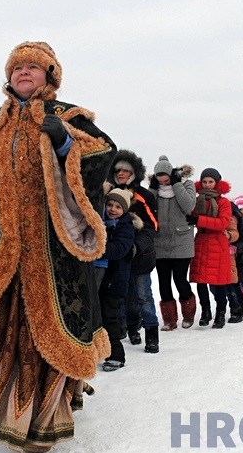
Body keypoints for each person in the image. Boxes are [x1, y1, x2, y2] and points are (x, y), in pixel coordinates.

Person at [0, 41, 117, 452]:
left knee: (50, 332)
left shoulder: (68, 118)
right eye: (18, 68)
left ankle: (50, 411)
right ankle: (3, 407)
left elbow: (103, 154)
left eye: (34, 67)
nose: (24, 73)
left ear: (49, 76)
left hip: (53, 252)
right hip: (4, 249)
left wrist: (66, 146)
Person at [106, 149, 160, 354]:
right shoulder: (107, 192)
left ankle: (152, 335)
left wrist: (136, 246)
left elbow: (153, 226)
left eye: (126, 170)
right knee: (122, 296)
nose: (121, 173)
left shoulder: (143, 195)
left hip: (140, 256)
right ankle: (129, 329)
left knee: (143, 295)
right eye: (118, 169)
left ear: (134, 173)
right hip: (115, 256)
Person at [148, 156, 197, 329]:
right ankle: (169, 319)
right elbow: (148, 208)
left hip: (182, 241)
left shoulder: (186, 184)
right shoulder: (155, 189)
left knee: (179, 279)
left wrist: (176, 184)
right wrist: (153, 189)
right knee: (163, 281)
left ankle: (188, 314)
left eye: (165, 175)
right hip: (159, 241)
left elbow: (188, 205)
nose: (162, 179)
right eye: (158, 176)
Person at [96, 188, 138, 372]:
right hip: (99, 276)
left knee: (110, 317)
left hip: (115, 279)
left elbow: (119, 249)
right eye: (110, 204)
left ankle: (117, 355)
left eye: (118, 206)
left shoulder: (125, 227)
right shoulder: (100, 221)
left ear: (125, 210)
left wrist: (93, 246)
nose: (113, 209)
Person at [187, 168, 235, 328]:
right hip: (201, 242)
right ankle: (206, 311)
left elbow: (222, 223)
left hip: (217, 243)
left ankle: (220, 313)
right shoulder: (196, 200)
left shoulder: (223, 202)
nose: (207, 185)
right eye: (205, 181)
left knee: (219, 283)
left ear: (217, 183)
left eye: (211, 182)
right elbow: (189, 214)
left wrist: (198, 219)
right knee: (201, 281)